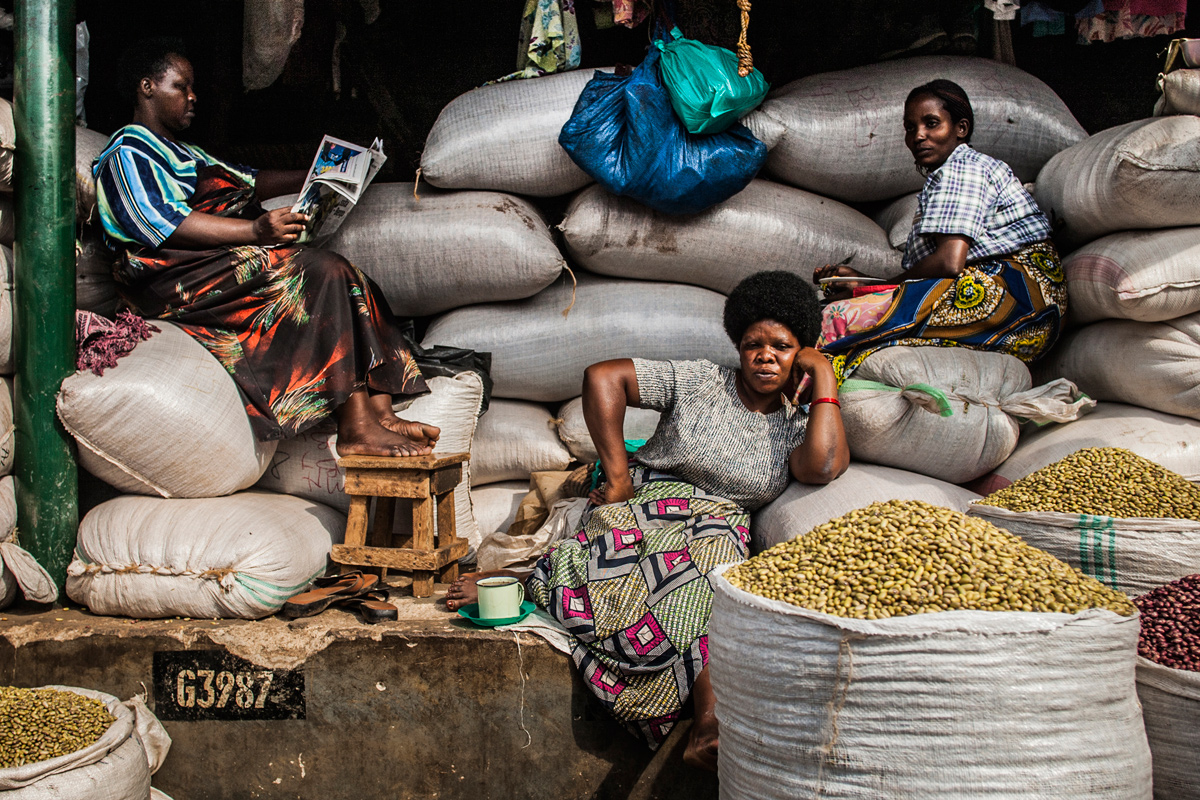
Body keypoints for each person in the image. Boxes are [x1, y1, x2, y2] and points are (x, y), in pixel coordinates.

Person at [445, 271, 850, 770]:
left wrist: (825, 377)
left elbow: (823, 467)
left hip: (719, 522)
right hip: (652, 499)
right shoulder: (702, 380)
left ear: (801, 353)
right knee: (598, 562)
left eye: (782, 347)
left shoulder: (797, 421)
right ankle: (530, 580)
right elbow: (603, 377)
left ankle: (709, 725)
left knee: (710, 581)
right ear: (738, 348)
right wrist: (617, 478)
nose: (765, 356)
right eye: (753, 345)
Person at [92, 38, 439, 456]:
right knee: (319, 272)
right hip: (177, 278)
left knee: (351, 276)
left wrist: (329, 169)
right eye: (180, 87)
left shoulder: (188, 152)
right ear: (147, 88)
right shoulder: (127, 152)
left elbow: (251, 179)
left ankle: (379, 412)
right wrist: (254, 232)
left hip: (218, 263)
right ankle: (355, 428)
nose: (192, 96)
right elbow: (160, 225)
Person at [813, 79, 1066, 383]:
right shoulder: (959, 171)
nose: (918, 135)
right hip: (1033, 315)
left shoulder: (961, 168)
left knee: (834, 320)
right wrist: (868, 282)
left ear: (960, 128)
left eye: (931, 123)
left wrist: (875, 289)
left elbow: (949, 263)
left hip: (1011, 300)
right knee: (855, 318)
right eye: (910, 127)